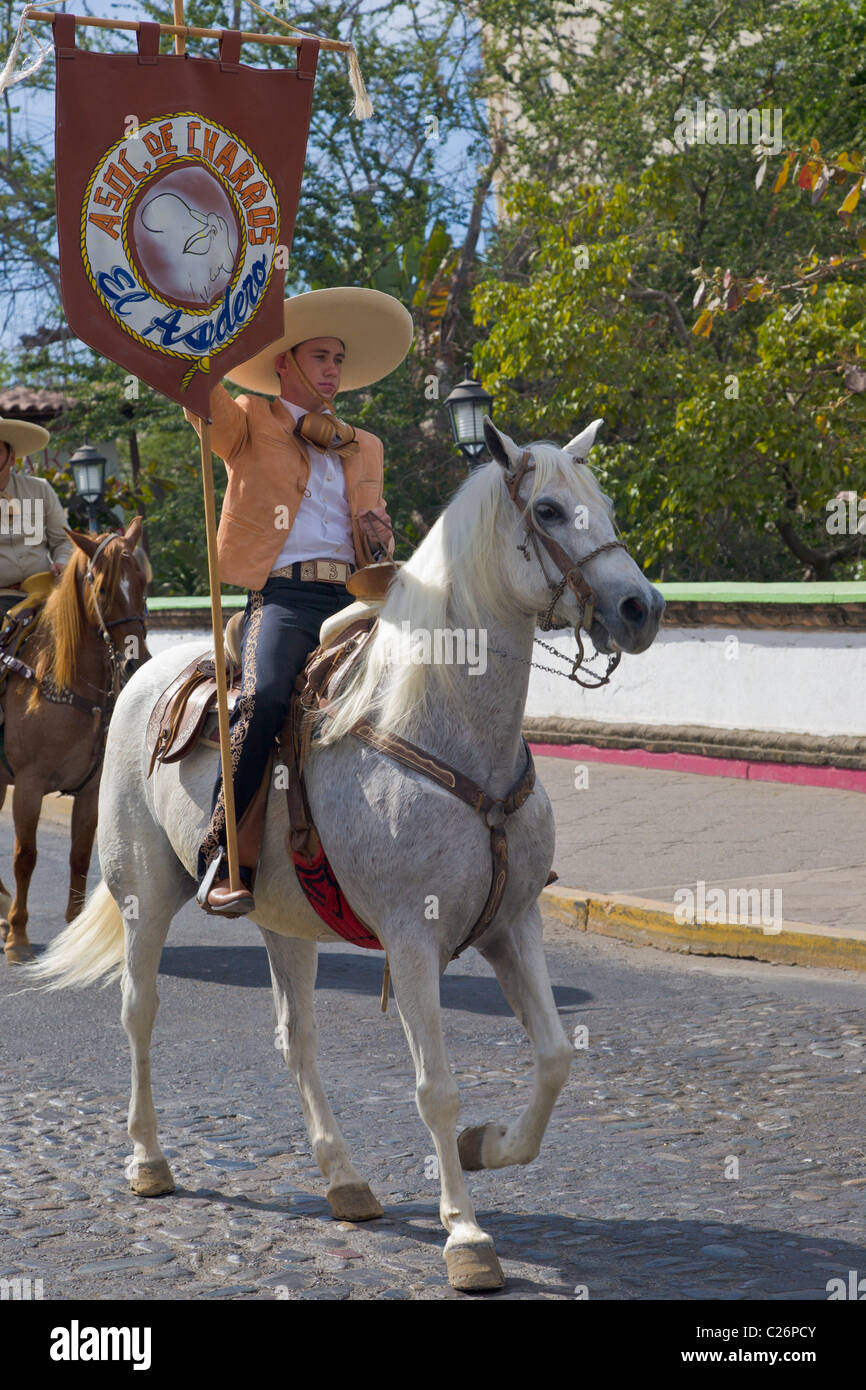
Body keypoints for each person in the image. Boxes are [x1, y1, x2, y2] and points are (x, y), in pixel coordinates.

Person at [184, 286, 413, 916]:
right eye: (321, 357)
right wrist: (194, 333)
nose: (334, 369)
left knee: (441, 672)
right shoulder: (249, 421)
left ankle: (481, 833)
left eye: (339, 358)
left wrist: (379, 536)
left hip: (355, 598)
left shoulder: (365, 445)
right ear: (285, 362)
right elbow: (199, 397)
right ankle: (223, 857)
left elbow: (372, 524)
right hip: (282, 598)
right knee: (264, 699)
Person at [0, 417, 73, 624]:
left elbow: (64, 540)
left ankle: (128, 656)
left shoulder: (39, 489)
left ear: (11, 457)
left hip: (45, 592)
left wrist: (62, 561)